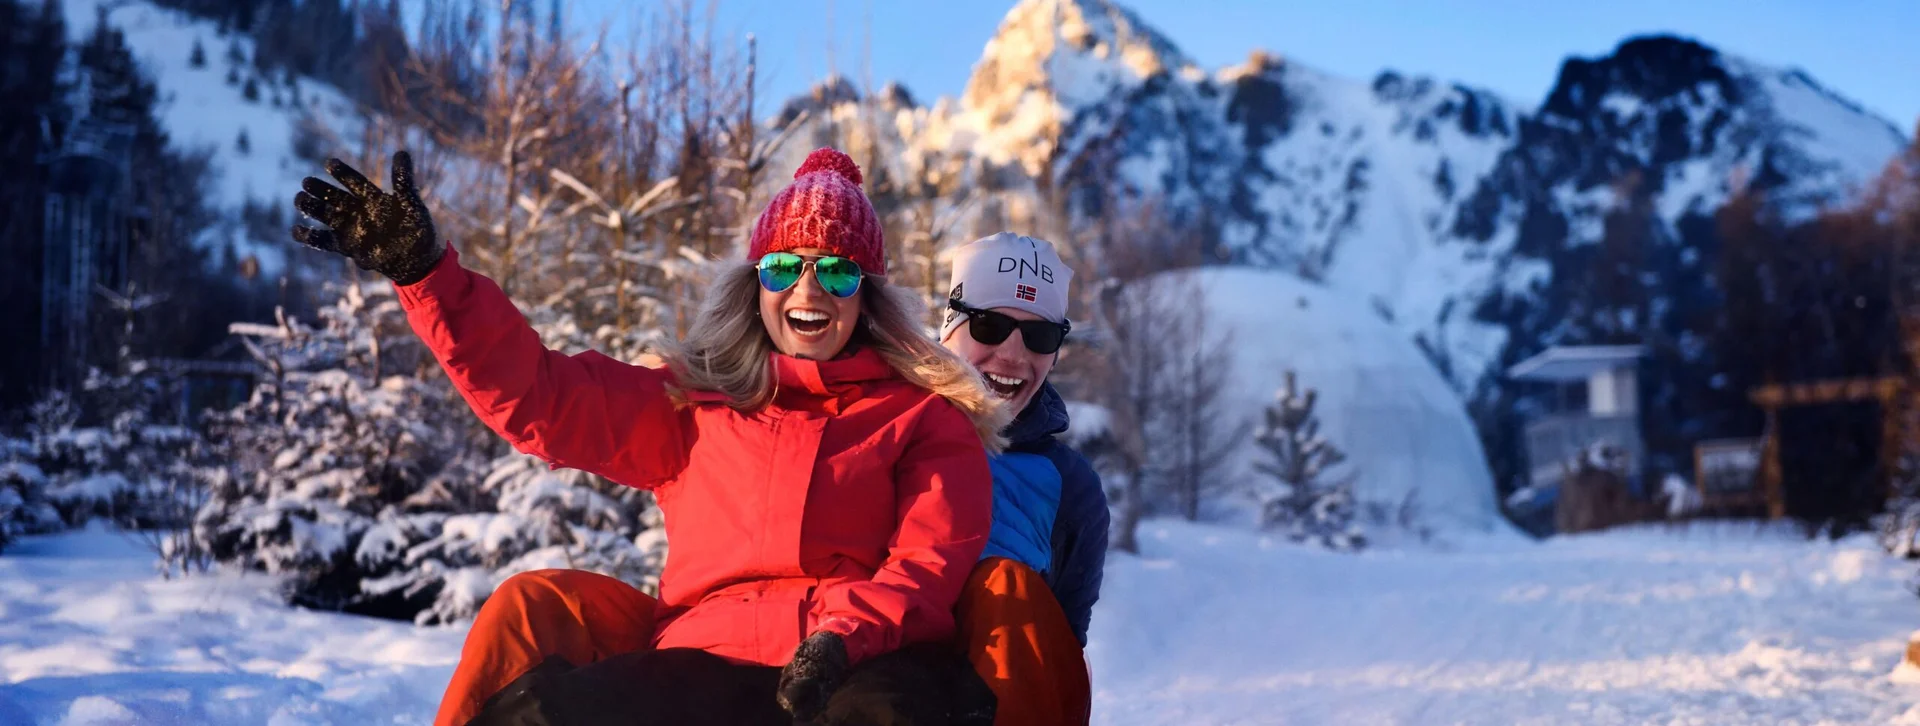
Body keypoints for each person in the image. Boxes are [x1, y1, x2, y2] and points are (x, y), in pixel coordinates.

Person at [289, 147, 1009, 725]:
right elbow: (540, 395)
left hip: (854, 664)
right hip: (698, 664)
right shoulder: (693, 405)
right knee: (536, 713)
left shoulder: (922, 419)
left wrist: (841, 640)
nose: (808, 289)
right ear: (756, 285)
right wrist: (428, 277)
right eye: (785, 267)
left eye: (839, 273)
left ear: (868, 294)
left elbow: (925, 567)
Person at [938, 233, 1110, 726]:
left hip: (996, 703)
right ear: (950, 327)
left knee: (1006, 589)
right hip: (882, 681)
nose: (1014, 354)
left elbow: (1061, 657)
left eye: (1040, 336)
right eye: (990, 326)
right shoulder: (886, 428)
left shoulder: (1071, 488)